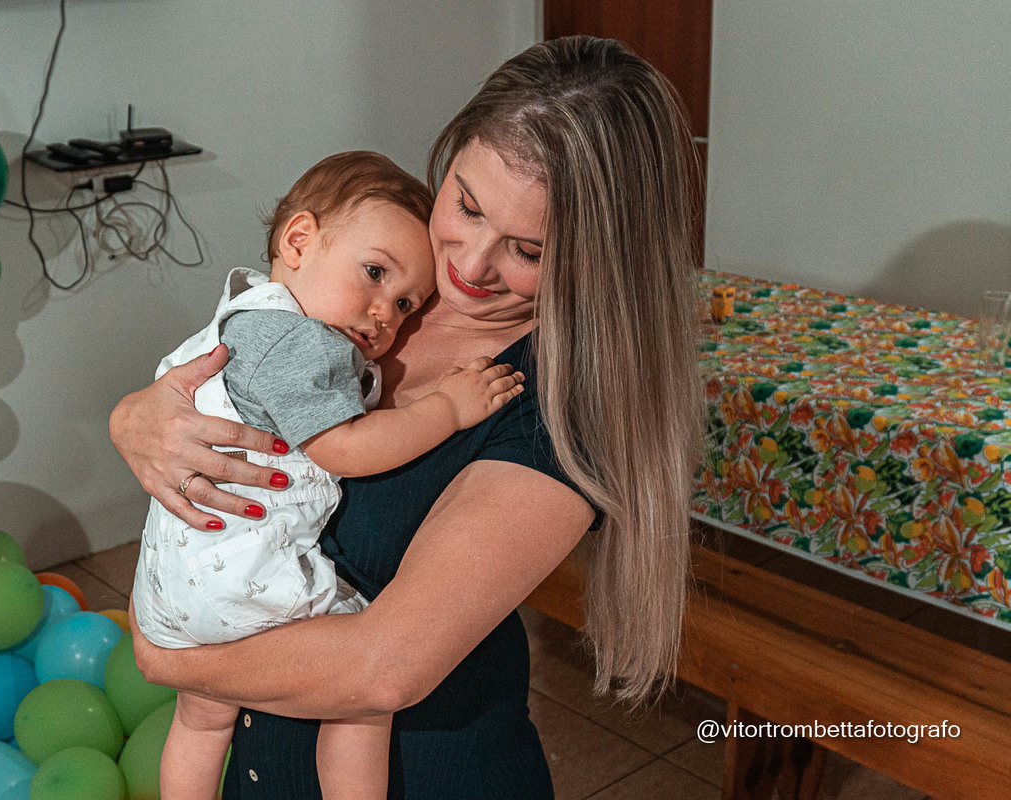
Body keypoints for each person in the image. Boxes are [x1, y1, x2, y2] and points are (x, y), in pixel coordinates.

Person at [110, 35, 704, 798]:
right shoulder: (375, 283)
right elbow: (227, 375)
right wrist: (137, 418)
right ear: (449, 156)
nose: (471, 264)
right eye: (465, 204)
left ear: (598, 257)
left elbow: (381, 668)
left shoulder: (556, 407)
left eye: (527, 249)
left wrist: (169, 658)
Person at [134, 151, 526, 800]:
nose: (383, 315)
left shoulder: (239, 319)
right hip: (240, 579)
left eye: (405, 303)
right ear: (298, 240)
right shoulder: (298, 344)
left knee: (201, 724)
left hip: (171, 584)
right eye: (373, 274)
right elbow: (347, 448)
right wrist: (447, 408)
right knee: (360, 701)